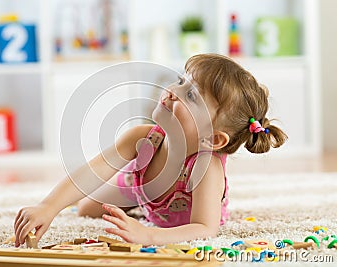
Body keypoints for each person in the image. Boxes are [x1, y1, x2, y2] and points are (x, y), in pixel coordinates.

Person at [14, 54, 287, 247]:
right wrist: (47, 207)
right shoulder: (142, 138)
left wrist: (149, 235)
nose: (173, 91)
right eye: (181, 81)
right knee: (85, 208)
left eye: (191, 95)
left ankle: (139, 208)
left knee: (111, 212)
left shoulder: (206, 169)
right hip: (139, 187)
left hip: (175, 212)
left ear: (213, 139)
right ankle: (135, 202)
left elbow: (205, 229)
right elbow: (93, 171)